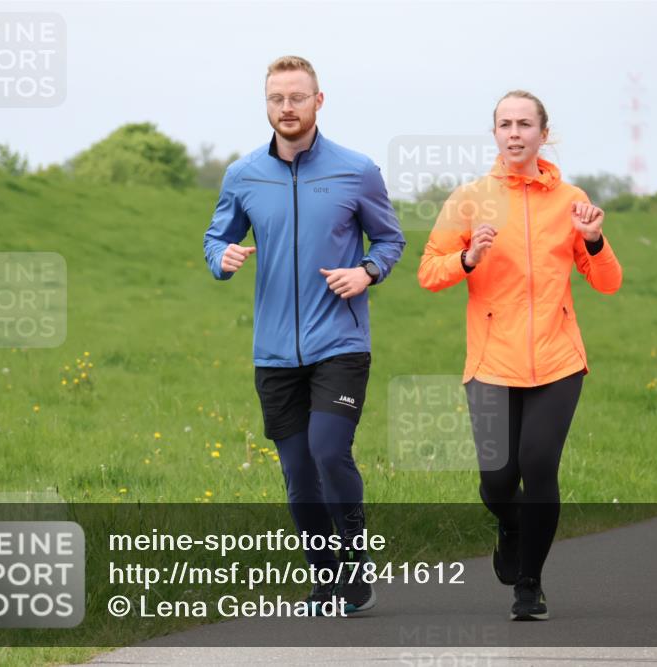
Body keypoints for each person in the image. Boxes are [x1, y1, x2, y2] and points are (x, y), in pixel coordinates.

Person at [203, 55, 405, 613]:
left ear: (319, 101)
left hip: (339, 343)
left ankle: (355, 563)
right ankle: (325, 577)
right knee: (297, 472)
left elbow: (390, 240)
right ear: (266, 104)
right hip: (273, 352)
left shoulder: (356, 170)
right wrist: (222, 257)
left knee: (328, 451)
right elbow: (215, 238)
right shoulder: (243, 174)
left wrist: (366, 271)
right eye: (277, 98)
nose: (287, 108)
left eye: (297, 97)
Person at [417, 90, 622, 620]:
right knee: (497, 480)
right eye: (505, 124)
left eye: (525, 124)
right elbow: (429, 272)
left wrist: (594, 240)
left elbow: (607, 282)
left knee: (538, 465)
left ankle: (529, 584)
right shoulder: (470, 199)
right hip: (492, 362)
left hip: (558, 360)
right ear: (495, 133)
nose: (515, 133)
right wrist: (468, 257)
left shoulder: (571, 200)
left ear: (543, 134)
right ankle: (510, 525)